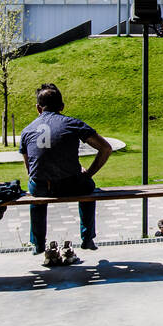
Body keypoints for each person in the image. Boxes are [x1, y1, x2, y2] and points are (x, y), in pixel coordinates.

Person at [20, 83, 113, 255]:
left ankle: (38, 243)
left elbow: (29, 167)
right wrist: (88, 173)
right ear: (62, 107)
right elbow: (105, 148)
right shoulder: (73, 124)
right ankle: (87, 238)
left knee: (35, 189)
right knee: (88, 187)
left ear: (38, 108)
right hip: (70, 184)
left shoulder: (27, 131)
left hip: (41, 186)